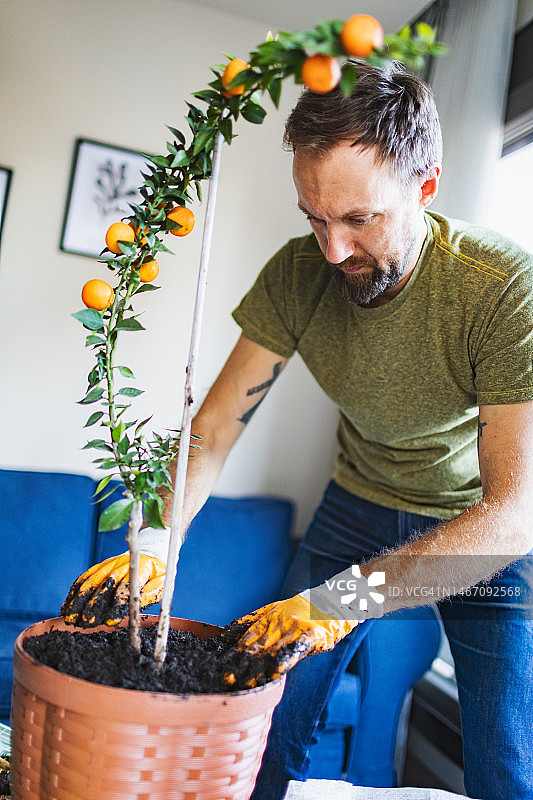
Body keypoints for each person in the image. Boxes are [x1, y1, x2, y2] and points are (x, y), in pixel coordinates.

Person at [62, 61, 533, 800]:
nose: (333, 251)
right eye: (313, 217)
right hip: (357, 502)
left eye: (358, 219)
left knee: (507, 760)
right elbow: (213, 427)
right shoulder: (295, 275)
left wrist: (339, 602)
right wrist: (155, 538)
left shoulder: (500, 286)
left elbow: (513, 516)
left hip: (476, 528)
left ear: (426, 187)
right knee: (268, 712)